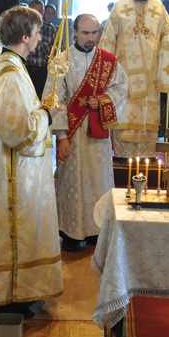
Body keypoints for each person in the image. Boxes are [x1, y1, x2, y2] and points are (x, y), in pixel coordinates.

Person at [0, 6, 66, 306]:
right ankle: (9, 294)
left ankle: (20, 291)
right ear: (24, 36)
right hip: (11, 171)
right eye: (36, 34)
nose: (38, 39)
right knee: (12, 232)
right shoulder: (9, 71)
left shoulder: (12, 65)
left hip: (12, 166)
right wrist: (46, 114)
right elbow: (16, 130)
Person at [43, 14, 128, 252]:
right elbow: (53, 100)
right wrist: (61, 137)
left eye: (95, 33)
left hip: (97, 132)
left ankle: (96, 229)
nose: (91, 38)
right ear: (75, 33)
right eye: (86, 33)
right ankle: (72, 231)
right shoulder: (62, 60)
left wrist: (102, 100)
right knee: (74, 180)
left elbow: (122, 87)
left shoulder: (108, 61)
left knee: (98, 180)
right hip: (73, 132)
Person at [100, 0, 169, 158]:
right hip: (124, 74)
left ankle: (146, 155)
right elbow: (108, 38)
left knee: (147, 115)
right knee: (124, 113)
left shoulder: (159, 9)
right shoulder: (119, 8)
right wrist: (105, 73)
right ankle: (121, 153)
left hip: (150, 75)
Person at [26, 0, 56, 98]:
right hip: (26, 70)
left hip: (43, 72)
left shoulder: (50, 29)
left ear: (43, 12)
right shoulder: (23, 28)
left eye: (40, 12)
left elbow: (54, 53)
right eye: (34, 11)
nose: (37, 14)